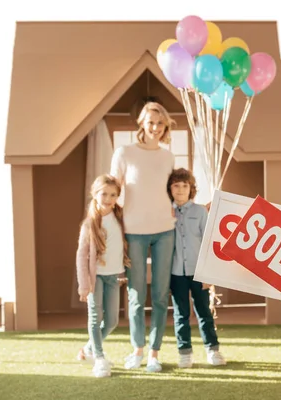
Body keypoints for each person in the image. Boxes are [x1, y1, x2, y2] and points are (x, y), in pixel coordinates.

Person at [110, 101, 176, 372]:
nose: (156, 128)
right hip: (134, 231)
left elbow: (173, 192)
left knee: (160, 295)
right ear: (141, 123)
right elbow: (112, 190)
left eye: (160, 123)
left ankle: (154, 354)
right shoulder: (124, 152)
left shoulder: (168, 156)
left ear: (165, 126)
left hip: (165, 231)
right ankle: (137, 349)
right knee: (137, 295)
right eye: (151, 122)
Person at [168, 168, 226, 368]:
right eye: (176, 185)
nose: (181, 190)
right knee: (180, 313)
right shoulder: (166, 212)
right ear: (170, 189)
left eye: (185, 186)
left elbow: (208, 242)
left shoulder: (200, 212)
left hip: (198, 272)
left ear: (191, 188)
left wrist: (208, 274)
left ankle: (213, 350)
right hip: (176, 273)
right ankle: (185, 353)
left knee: (204, 312)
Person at [75, 174, 130, 378]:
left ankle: (88, 348)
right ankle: (98, 358)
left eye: (113, 195)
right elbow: (81, 255)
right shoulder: (90, 224)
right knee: (95, 317)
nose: (108, 198)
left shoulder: (120, 218)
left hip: (114, 276)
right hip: (95, 277)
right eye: (104, 194)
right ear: (94, 194)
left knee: (113, 321)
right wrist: (84, 285)